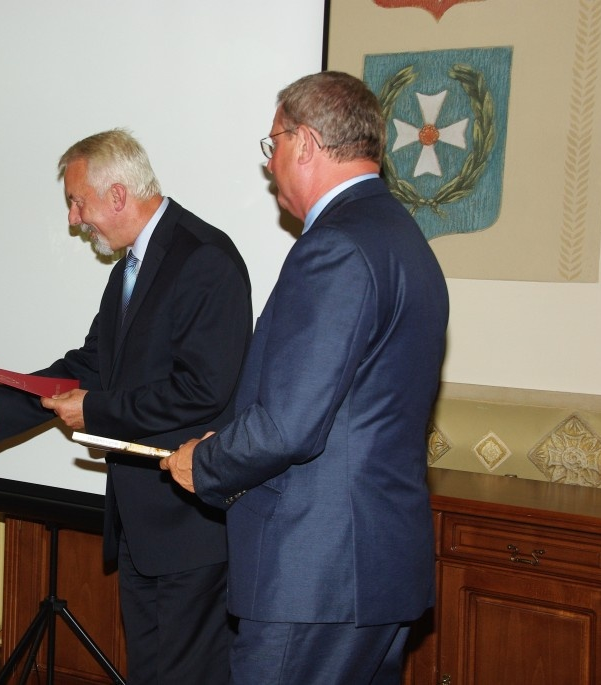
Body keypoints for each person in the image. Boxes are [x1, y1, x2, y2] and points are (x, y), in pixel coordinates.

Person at [161, 71, 449, 684]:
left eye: (274, 145)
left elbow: (292, 425)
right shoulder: (405, 240)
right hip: (373, 571)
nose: (270, 166)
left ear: (307, 143)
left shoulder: (337, 246)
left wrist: (203, 463)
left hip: (317, 577)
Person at [0, 129, 252, 684]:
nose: (72, 219)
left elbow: (204, 390)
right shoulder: (130, 269)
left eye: (76, 200)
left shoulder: (205, 259)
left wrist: (98, 411)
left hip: (190, 529)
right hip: (141, 526)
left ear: (117, 194)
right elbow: (88, 367)